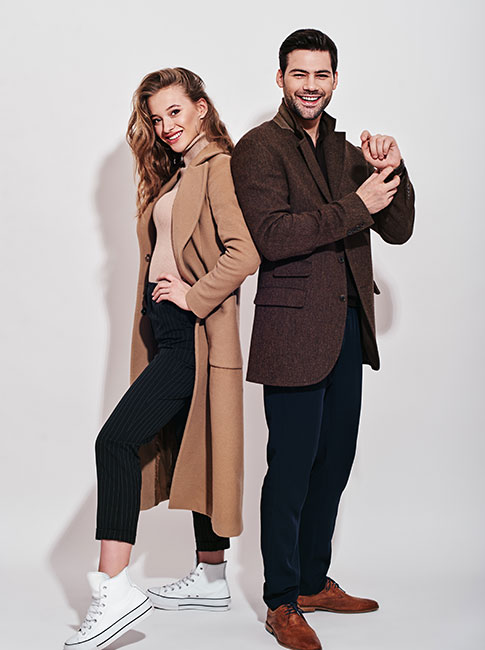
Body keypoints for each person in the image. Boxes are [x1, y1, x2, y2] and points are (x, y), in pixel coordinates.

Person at [231, 28, 415, 650]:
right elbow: (274, 236)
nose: (310, 85)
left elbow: (398, 228)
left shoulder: (346, 150)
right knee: (290, 469)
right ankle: (281, 600)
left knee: (334, 463)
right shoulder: (258, 148)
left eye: (321, 74)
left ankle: (312, 581)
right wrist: (357, 204)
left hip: (346, 329)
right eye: (299, 74)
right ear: (280, 78)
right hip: (290, 332)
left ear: (335, 79)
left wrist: (393, 168)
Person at [64, 67, 260, 650]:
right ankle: (212, 578)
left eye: (176, 111)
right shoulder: (178, 173)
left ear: (201, 107)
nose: (167, 125)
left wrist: (192, 296)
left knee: (116, 443)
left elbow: (244, 251)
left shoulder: (218, 167)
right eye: (157, 117)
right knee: (194, 447)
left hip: (193, 336)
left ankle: (114, 591)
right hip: (169, 334)